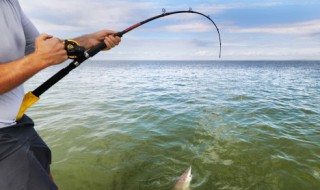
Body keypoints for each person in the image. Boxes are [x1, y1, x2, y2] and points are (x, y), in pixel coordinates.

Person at [0, 0, 121, 189]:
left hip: (17, 121)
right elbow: (39, 56)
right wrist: (38, 61)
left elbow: (38, 47)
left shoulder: (10, 3)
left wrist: (86, 41)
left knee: (46, 172)